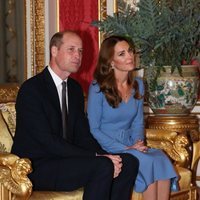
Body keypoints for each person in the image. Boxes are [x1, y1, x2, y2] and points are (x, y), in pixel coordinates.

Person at [11, 30, 139, 200]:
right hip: (36, 166)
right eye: (71, 49)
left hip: (66, 161)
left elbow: (82, 135)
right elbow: (47, 141)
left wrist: (107, 155)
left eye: (80, 51)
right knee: (102, 165)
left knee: (128, 162)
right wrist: (97, 156)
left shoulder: (74, 89)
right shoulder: (32, 90)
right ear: (54, 51)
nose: (77, 55)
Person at [87, 35, 178, 200]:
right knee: (148, 162)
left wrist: (137, 143)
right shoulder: (97, 88)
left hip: (131, 144)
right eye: (122, 54)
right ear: (111, 62)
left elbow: (138, 122)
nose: (130, 56)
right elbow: (94, 129)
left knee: (161, 158)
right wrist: (126, 149)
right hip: (108, 146)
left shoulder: (138, 85)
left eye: (130, 51)